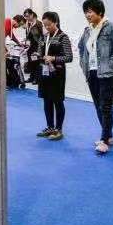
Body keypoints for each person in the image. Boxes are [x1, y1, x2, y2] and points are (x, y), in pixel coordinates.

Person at [78, 0, 113, 155]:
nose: (87, 15)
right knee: (98, 106)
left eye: (90, 11)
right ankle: (109, 136)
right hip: (92, 72)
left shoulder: (112, 28)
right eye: (86, 12)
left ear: (100, 12)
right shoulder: (87, 30)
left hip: (108, 74)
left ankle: (104, 140)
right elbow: (81, 48)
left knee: (106, 106)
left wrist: (111, 64)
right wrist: (83, 64)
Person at [36, 11, 74, 141]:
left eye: (49, 25)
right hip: (44, 72)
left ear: (55, 22)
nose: (46, 27)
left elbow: (69, 57)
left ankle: (58, 129)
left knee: (57, 101)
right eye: (44, 25)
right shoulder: (43, 37)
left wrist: (54, 58)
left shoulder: (63, 37)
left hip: (57, 74)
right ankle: (50, 127)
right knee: (46, 100)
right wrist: (38, 55)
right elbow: (40, 52)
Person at [5, 15, 29, 89]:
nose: (18, 27)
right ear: (16, 21)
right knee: (0, 64)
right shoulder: (7, 23)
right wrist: (5, 51)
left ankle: (11, 82)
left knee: (8, 62)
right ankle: (3, 84)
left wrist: (19, 44)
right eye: (20, 25)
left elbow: (12, 36)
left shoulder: (10, 25)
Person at [22, 9, 44, 83]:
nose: (26, 18)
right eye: (25, 16)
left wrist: (41, 47)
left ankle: (36, 78)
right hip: (30, 45)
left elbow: (42, 36)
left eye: (27, 16)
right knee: (30, 61)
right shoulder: (28, 24)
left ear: (32, 15)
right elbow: (28, 34)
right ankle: (31, 77)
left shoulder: (38, 24)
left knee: (36, 62)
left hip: (37, 45)